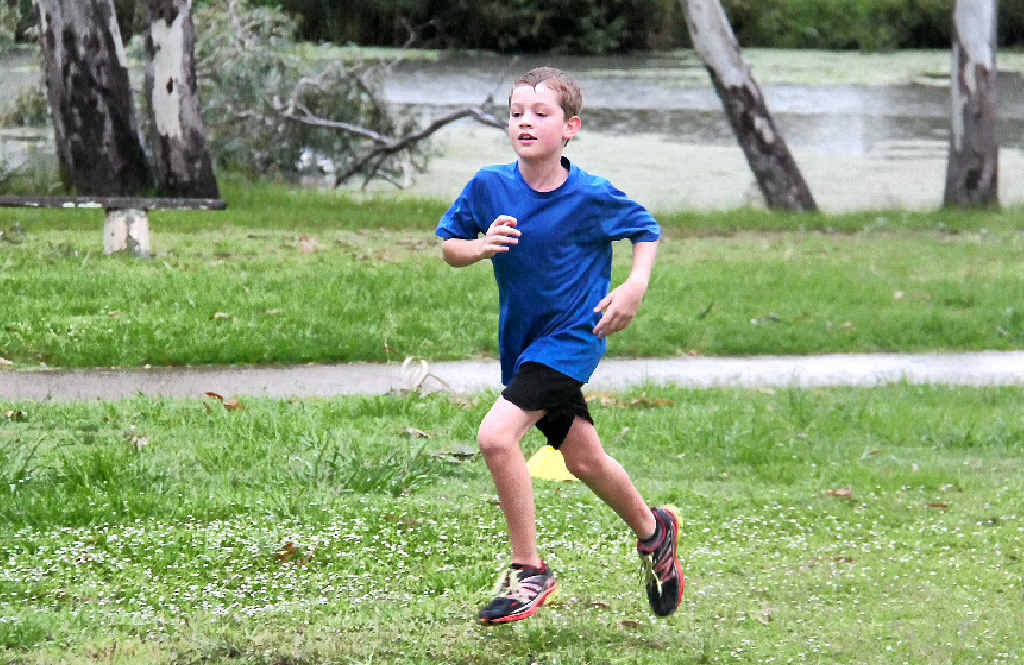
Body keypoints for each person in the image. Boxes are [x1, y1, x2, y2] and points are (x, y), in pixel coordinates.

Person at [435, 66, 684, 625]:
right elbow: (449, 245)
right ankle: (655, 532)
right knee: (584, 460)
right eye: (516, 113)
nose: (525, 122)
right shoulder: (489, 185)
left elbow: (646, 229)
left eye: (540, 113)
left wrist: (634, 287)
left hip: (573, 339)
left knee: (496, 436)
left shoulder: (591, 194)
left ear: (570, 127)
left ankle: (529, 570)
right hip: (524, 345)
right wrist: (479, 247)